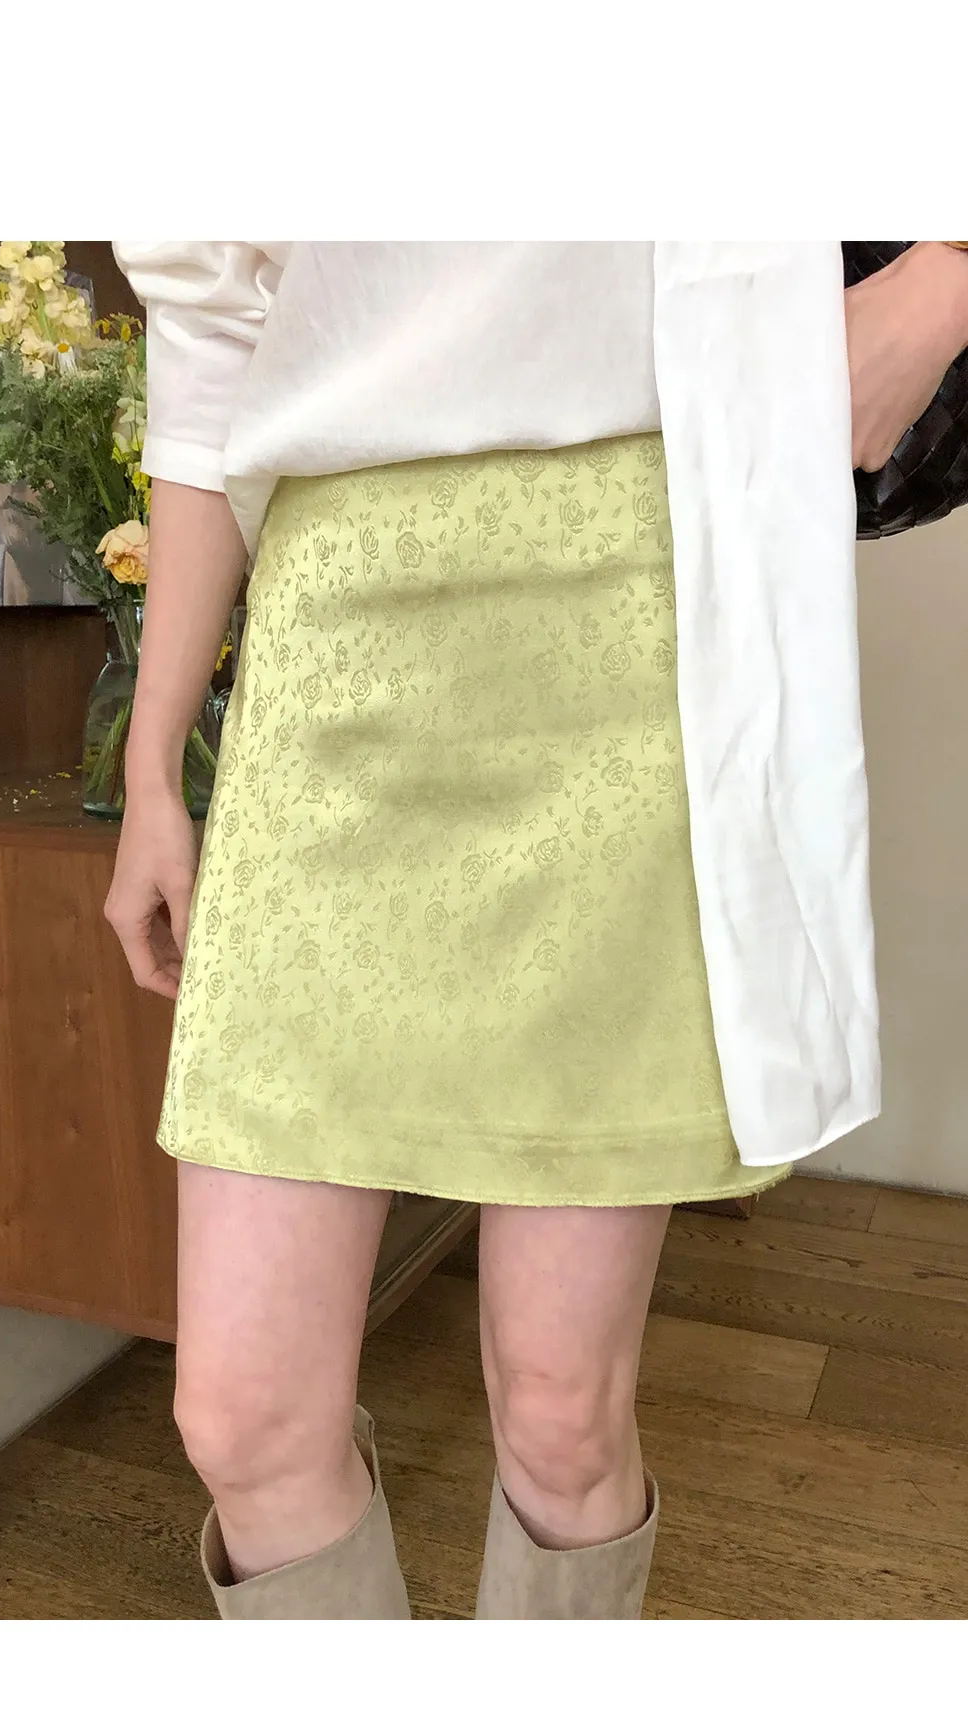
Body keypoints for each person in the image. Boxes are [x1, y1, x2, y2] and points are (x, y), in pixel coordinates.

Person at [107, 241, 968, 1621]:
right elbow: (209, 348)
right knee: (245, 1419)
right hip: (337, 654)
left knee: (564, 1415)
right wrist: (154, 759)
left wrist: (946, 275)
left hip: (636, 611)